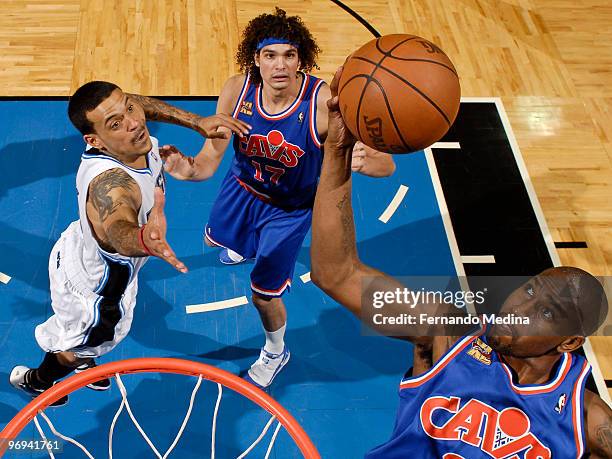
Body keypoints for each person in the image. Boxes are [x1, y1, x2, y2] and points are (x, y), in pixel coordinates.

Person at [310, 66, 612, 458]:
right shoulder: (446, 332)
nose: (521, 308)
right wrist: (337, 149)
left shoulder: (584, 418)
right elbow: (336, 273)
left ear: (570, 343)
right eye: (531, 288)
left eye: (548, 312)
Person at [129, 8, 395, 388]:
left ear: (302, 58)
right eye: (270, 56)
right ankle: (242, 244)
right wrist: (183, 167)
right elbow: (207, 162)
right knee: (214, 240)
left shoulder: (326, 103)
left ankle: (275, 350)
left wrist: (365, 161)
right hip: (242, 190)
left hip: (289, 210)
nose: (280, 65)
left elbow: (387, 166)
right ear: (256, 59)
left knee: (263, 294)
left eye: (289, 55)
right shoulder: (237, 90)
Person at [10, 81, 248, 406]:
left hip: (76, 248)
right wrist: (143, 239)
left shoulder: (128, 134)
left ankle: (81, 355)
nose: (134, 122)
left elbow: (140, 104)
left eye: (128, 109)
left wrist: (195, 120)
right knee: (78, 345)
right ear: (94, 140)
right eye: (116, 123)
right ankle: (42, 381)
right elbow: (117, 227)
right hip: (97, 294)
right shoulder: (112, 183)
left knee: (80, 338)